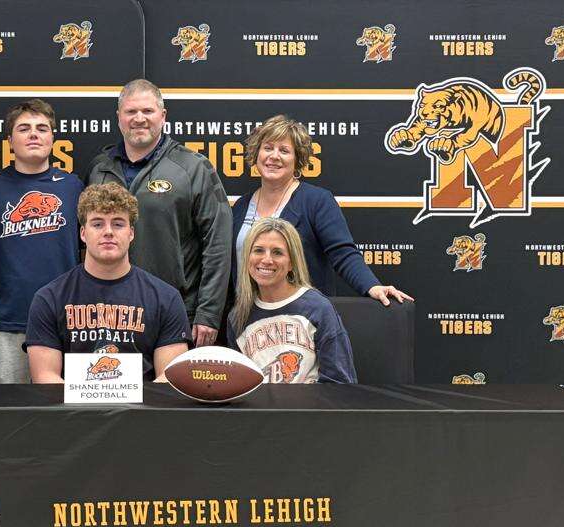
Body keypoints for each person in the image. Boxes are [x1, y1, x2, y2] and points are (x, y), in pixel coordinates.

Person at [85, 79, 231, 347]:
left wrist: (209, 312)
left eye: (147, 111)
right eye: (131, 111)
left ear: (163, 116)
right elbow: (83, 240)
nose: (139, 119)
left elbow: (217, 244)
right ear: (119, 117)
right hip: (109, 312)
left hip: (176, 311)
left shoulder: (193, 167)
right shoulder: (99, 168)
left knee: (168, 377)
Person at [232, 115, 412, 306]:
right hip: (247, 315)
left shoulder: (316, 201)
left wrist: (372, 286)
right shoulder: (242, 206)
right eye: (268, 148)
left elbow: (343, 253)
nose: (274, 156)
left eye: (284, 150)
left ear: (297, 160)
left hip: (303, 317)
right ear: (257, 154)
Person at [25, 183, 191, 382]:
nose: (108, 232)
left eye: (118, 224)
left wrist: (132, 400)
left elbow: (170, 377)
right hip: (68, 402)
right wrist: (84, 400)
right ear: (83, 233)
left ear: (131, 233)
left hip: (144, 402)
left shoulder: (166, 298)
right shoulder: (49, 298)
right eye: (97, 224)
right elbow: (45, 376)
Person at [0, 99, 82, 383]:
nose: (34, 134)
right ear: (10, 140)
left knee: (63, 407)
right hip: (8, 320)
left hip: (65, 320)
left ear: (52, 138)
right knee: (8, 406)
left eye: (42, 128)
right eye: (24, 129)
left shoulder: (73, 187)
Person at [227, 217, 356, 384]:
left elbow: (340, 383)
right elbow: (239, 386)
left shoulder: (318, 309)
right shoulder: (238, 317)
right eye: (258, 250)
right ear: (247, 258)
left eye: (277, 252)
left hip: (311, 401)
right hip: (259, 402)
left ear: (292, 263)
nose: (266, 260)